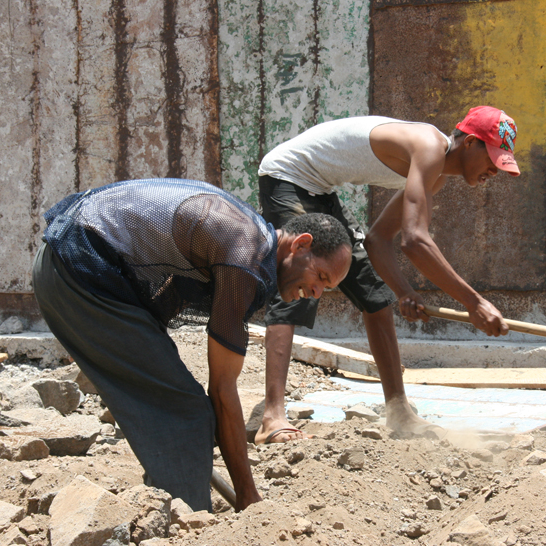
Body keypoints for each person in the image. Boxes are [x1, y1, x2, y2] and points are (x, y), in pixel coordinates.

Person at [32, 178, 352, 512]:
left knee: (173, 398)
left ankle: (174, 502)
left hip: (67, 266)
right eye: (321, 278)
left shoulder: (246, 237)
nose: (317, 293)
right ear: (301, 245)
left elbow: (165, 295)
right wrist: (248, 496)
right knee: (189, 413)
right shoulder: (244, 256)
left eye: (327, 289)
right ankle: (191, 520)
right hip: (78, 267)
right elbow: (222, 391)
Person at [255, 106, 519, 445]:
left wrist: (404, 291)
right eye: (493, 159)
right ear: (470, 143)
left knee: (376, 299)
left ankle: (399, 411)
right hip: (288, 177)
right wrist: (474, 302)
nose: (493, 171)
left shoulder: (435, 171)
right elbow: (414, 240)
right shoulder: (428, 147)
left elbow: (380, 239)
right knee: (299, 284)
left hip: (320, 191)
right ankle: (272, 417)